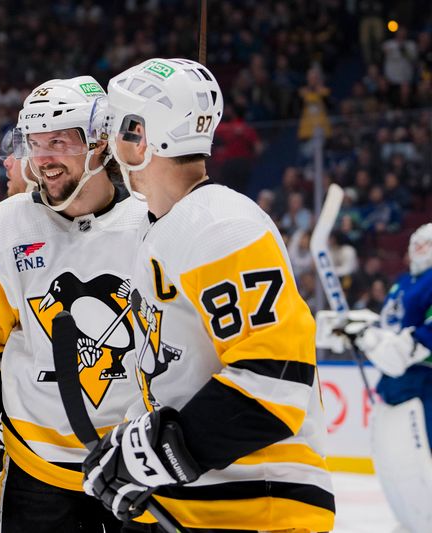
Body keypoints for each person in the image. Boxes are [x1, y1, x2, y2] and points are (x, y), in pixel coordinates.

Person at [82, 58, 335, 532]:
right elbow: (176, 374)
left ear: (142, 136)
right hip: (193, 504)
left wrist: (151, 456)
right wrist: (133, 449)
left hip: (259, 506)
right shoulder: (163, 228)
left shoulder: (221, 225)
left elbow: (275, 381)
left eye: (118, 126)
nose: (109, 143)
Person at [0, 76, 150, 532]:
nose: (45, 159)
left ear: (99, 143)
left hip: (135, 465)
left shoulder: (153, 225)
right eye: (35, 144)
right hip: (37, 469)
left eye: (59, 142)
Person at [332, 223, 432, 533]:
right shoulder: (403, 283)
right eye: (415, 240)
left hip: (424, 385)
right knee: (397, 468)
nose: (417, 246)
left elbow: (415, 343)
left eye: (424, 242)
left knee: (423, 464)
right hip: (394, 388)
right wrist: (362, 330)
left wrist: (375, 340)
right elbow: (390, 328)